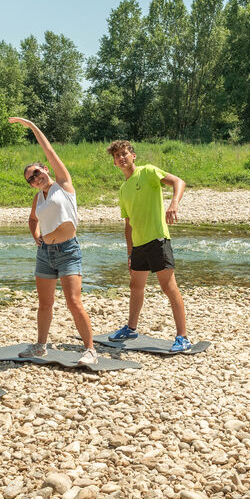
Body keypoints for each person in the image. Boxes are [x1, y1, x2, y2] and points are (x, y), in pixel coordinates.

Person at [9, 117, 97, 366]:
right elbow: (32, 219)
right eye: (30, 179)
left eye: (36, 173)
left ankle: (89, 349)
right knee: (45, 303)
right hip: (46, 253)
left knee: (73, 302)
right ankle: (40, 346)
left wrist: (31, 126)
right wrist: (36, 237)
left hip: (69, 251)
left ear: (45, 169)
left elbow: (49, 149)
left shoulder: (63, 184)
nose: (35, 179)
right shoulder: (39, 198)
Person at [106, 141, 192, 352]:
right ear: (115, 162)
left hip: (157, 240)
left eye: (124, 154)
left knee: (168, 287)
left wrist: (173, 204)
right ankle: (131, 328)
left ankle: (183, 337)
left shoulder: (148, 172)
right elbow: (128, 224)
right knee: (135, 287)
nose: (121, 158)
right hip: (138, 245)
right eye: (117, 156)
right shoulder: (123, 189)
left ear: (133, 155)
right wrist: (129, 252)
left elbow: (179, 182)